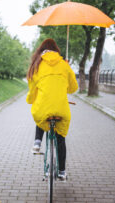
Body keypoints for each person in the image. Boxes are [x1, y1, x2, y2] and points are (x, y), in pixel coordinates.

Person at [26, 38, 78, 180]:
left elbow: (32, 89)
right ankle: (61, 172)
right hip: (61, 109)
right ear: (56, 50)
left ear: (41, 50)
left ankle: (37, 142)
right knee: (61, 139)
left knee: (41, 112)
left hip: (44, 107)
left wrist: (31, 100)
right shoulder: (63, 64)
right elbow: (74, 87)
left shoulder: (37, 65)